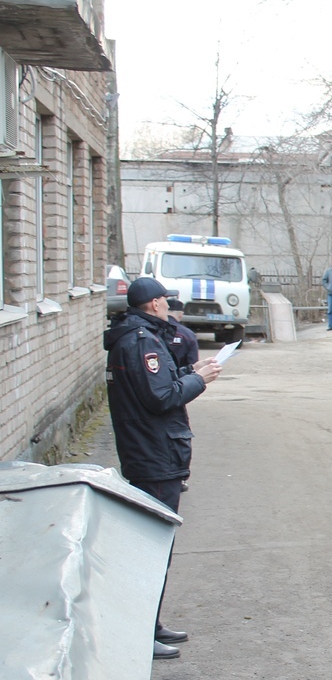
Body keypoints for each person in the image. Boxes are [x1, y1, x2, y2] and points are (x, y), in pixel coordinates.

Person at [104, 277, 222, 659]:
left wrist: (191, 370)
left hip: (153, 452)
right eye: (165, 303)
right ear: (154, 305)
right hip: (153, 456)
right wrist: (198, 381)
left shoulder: (141, 337)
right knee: (151, 548)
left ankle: (149, 623)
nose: (169, 308)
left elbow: (162, 384)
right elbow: (162, 397)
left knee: (155, 546)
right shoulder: (142, 342)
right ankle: (139, 631)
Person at [165, 298, 200, 369]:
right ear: (181, 315)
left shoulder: (152, 329)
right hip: (181, 377)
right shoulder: (189, 334)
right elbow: (193, 364)